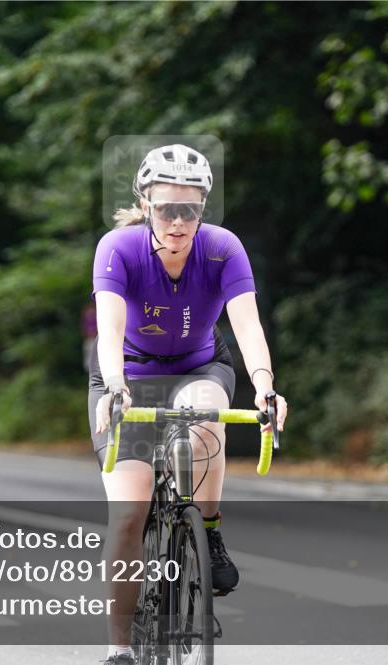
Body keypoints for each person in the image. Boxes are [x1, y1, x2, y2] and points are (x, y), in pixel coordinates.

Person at [88, 144, 288, 664]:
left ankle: (209, 530)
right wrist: (115, 385)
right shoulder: (119, 248)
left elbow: (247, 326)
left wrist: (266, 387)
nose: (177, 222)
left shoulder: (223, 249)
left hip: (199, 366)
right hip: (127, 372)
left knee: (203, 419)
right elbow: (108, 330)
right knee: (128, 516)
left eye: (190, 210)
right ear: (145, 203)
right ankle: (118, 650)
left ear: (203, 208)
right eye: (165, 209)